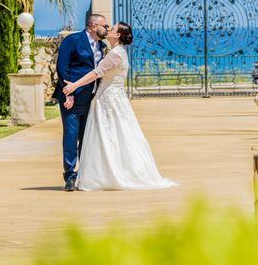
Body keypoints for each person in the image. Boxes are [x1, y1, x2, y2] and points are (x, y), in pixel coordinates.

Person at [62, 22, 176, 191]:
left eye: (113, 29)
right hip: (113, 98)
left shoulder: (115, 54)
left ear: (118, 36)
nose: (109, 30)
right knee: (115, 134)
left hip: (108, 99)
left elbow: (96, 73)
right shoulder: (118, 52)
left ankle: (109, 174)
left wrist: (73, 86)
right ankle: (109, 172)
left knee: (108, 135)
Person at [53, 14, 109, 192]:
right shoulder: (73, 40)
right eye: (104, 26)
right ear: (93, 26)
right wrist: (68, 93)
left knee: (86, 138)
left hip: (91, 99)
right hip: (72, 99)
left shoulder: (102, 45)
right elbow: (62, 68)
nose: (106, 29)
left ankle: (84, 174)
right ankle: (70, 176)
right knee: (71, 136)